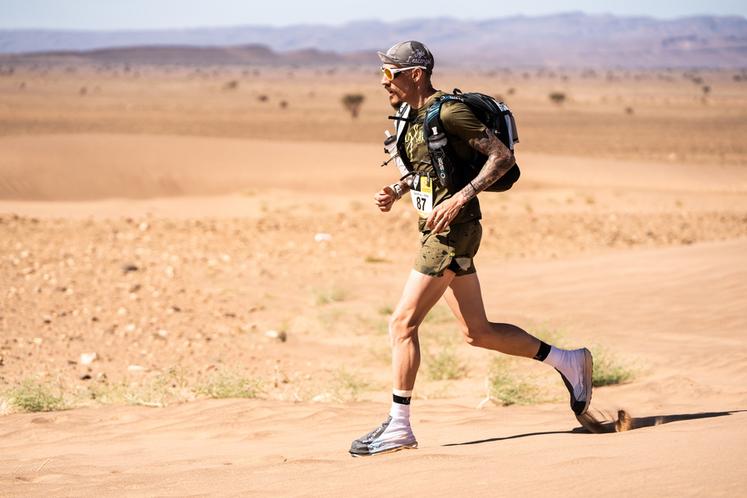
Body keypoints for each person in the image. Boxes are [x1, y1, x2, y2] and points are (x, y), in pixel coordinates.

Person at [349, 41, 593, 457]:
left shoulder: (449, 111)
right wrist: (397, 188)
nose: (383, 83)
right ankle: (568, 361)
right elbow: (430, 168)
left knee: (402, 323)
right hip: (436, 228)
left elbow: (501, 158)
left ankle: (399, 426)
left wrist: (461, 197)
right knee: (476, 332)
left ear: (416, 74)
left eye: (389, 74)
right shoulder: (413, 115)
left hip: (452, 231)